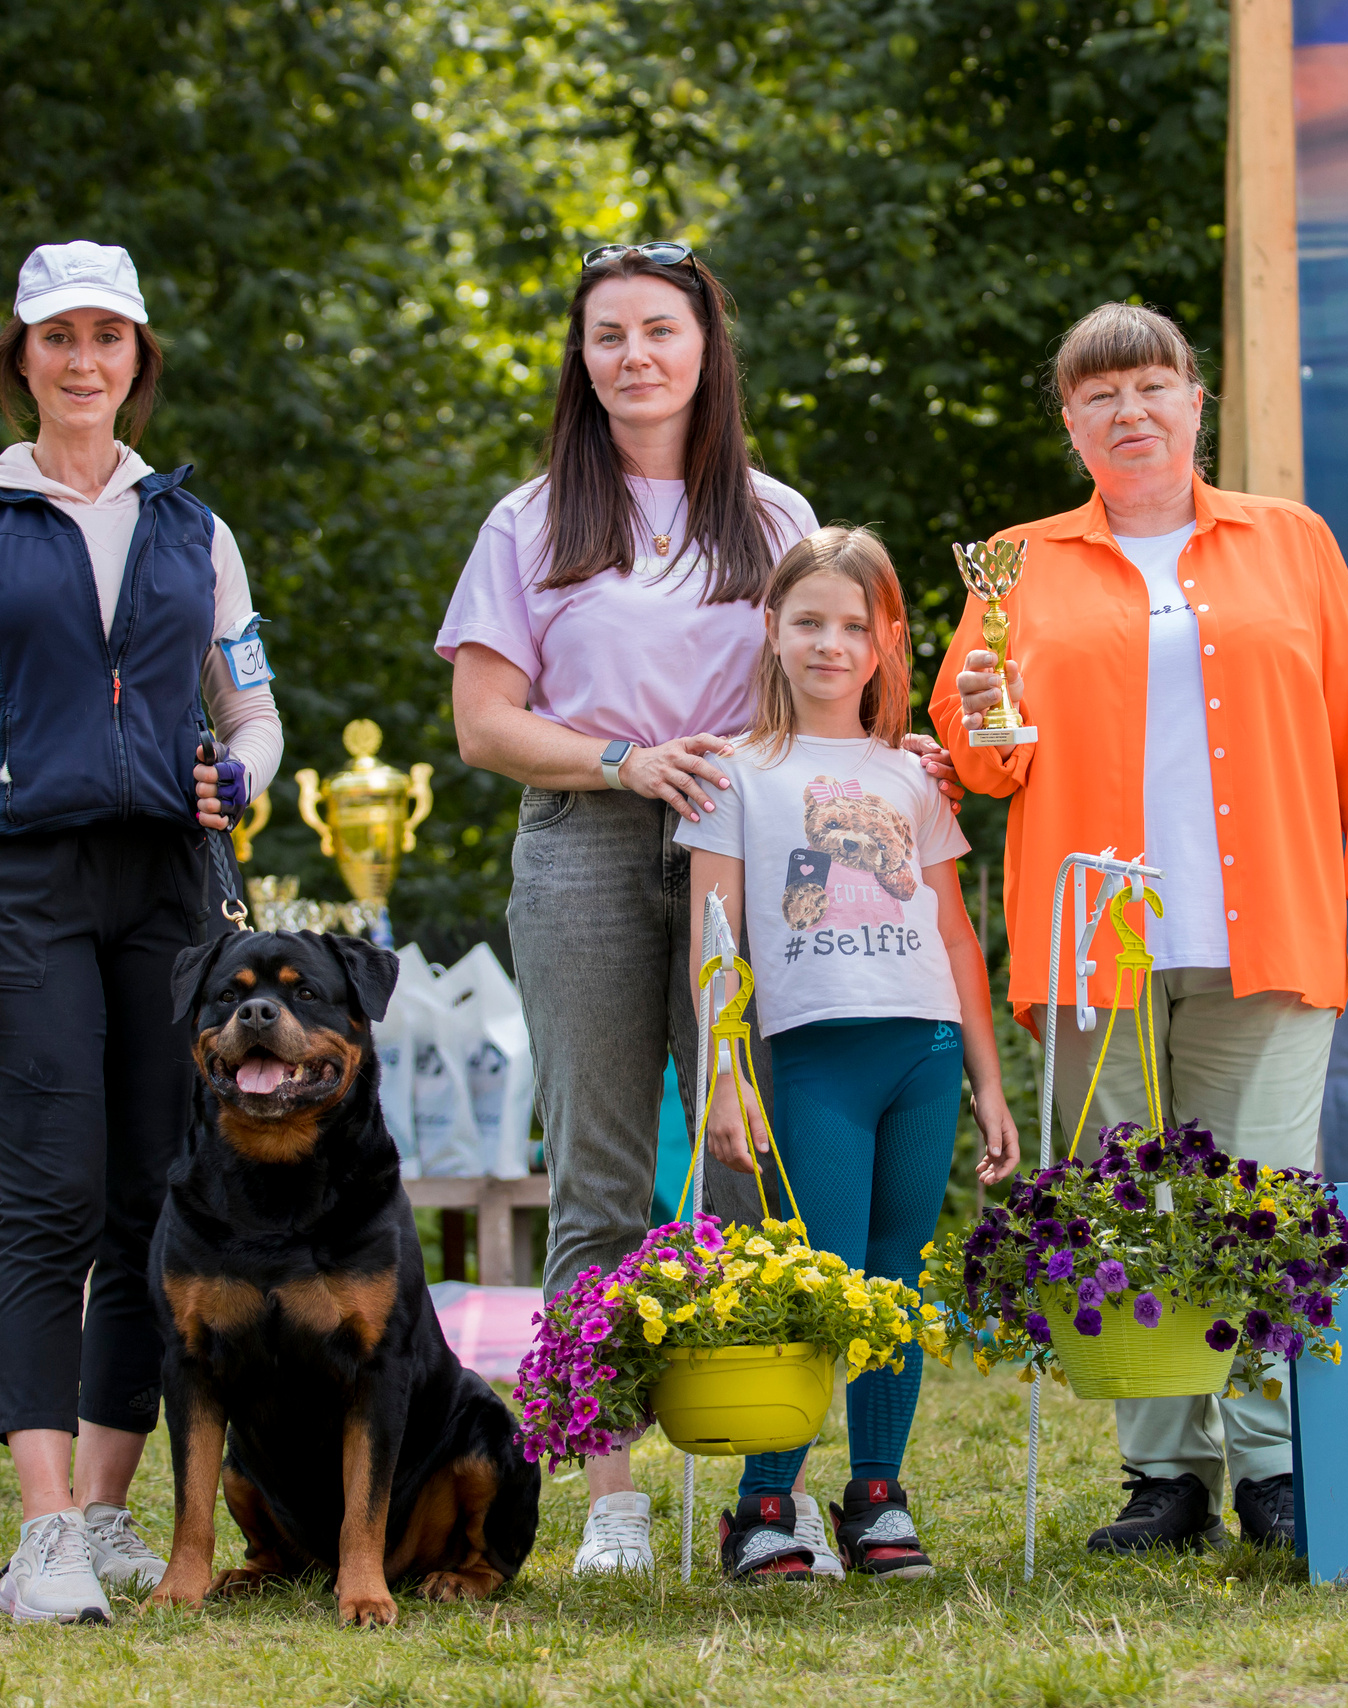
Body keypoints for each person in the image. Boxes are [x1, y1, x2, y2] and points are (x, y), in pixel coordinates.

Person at [933, 302, 1348, 1555]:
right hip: (1094, 941)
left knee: (1260, 1195)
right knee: (1121, 1203)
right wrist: (982, 717)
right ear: (1070, 424)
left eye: (1151, 386)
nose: (1129, 411)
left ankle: (1271, 1466)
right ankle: (1165, 1476)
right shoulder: (1014, 564)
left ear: (1196, 403)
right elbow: (974, 765)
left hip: (1273, 923)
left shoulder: (1291, 541)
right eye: (1100, 396)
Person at [438, 241, 846, 1576]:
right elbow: (484, 723)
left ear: (704, 349)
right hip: (586, 848)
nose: (634, 356)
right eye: (607, 336)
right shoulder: (533, 520)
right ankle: (611, 1499)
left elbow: (828, 684)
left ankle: (762, 1506)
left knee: (747, 1168)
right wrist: (620, 759)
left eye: (659, 330)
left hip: (743, 858)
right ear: (583, 360)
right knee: (600, 1183)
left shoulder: (777, 519)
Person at [0, 241, 283, 1625]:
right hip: (23, 888)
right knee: (51, 1200)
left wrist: (245, 776)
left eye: (106, 338)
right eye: (55, 338)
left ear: (138, 359)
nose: (81, 361)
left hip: (168, 896)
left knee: (151, 1200)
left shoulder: (195, 527)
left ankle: (115, 1515)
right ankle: (44, 1531)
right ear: (21, 359)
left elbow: (251, 710)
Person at [675, 526, 1022, 1583]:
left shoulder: (915, 771)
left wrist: (987, 1074)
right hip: (813, 1059)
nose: (830, 644)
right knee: (819, 1280)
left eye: (851, 626)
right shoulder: (735, 770)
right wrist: (724, 1076)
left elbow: (955, 934)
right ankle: (762, 1504)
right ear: (771, 631)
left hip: (919, 1052)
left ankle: (876, 1495)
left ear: (884, 642)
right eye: (808, 621)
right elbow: (715, 935)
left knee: (896, 1281)